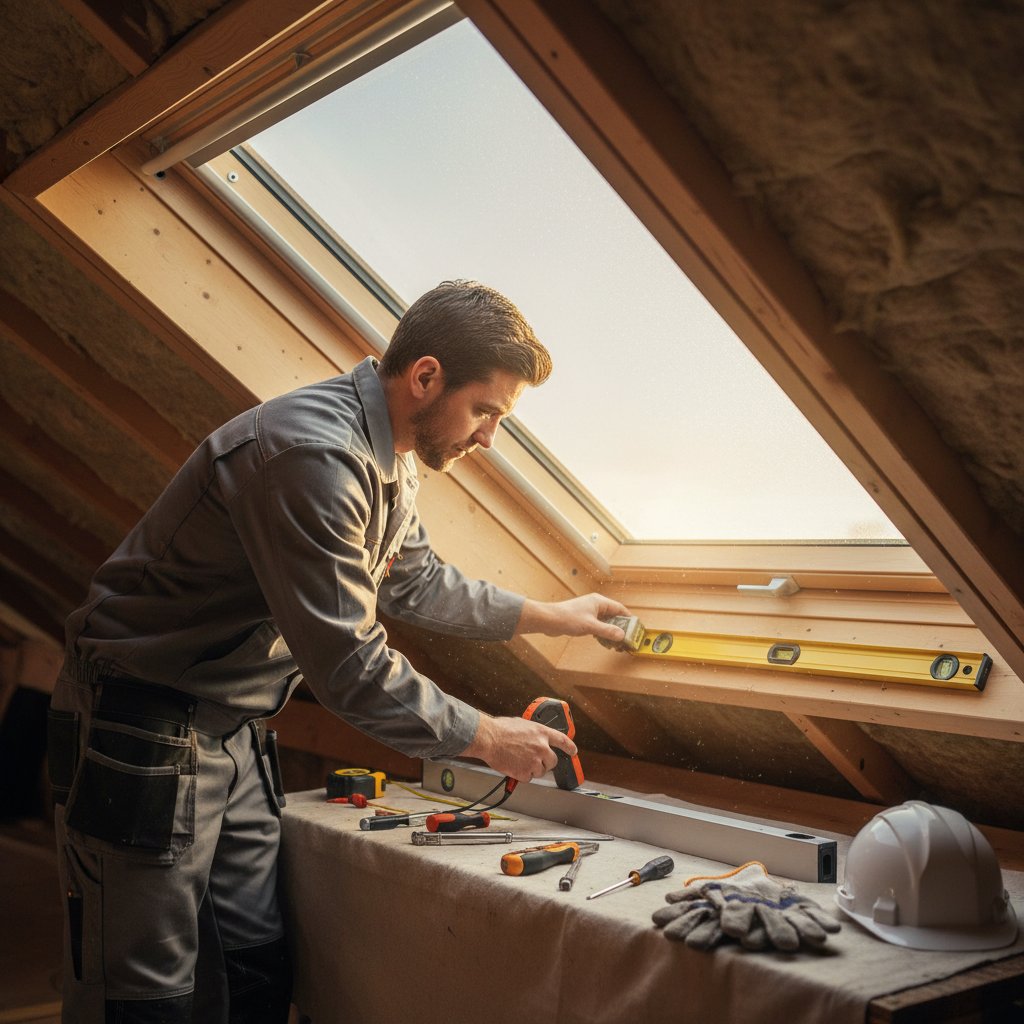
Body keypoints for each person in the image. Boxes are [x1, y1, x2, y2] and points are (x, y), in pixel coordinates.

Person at [47, 279, 629, 1023]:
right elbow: (350, 666)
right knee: (143, 990)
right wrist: (485, 737)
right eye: (486, 411)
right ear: (425, 376)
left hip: (233, 726)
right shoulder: (312, 454)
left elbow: (416, 584)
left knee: (254, 960)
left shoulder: (395, 453)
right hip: (144, 720)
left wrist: (556, 617)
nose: (489, 437)